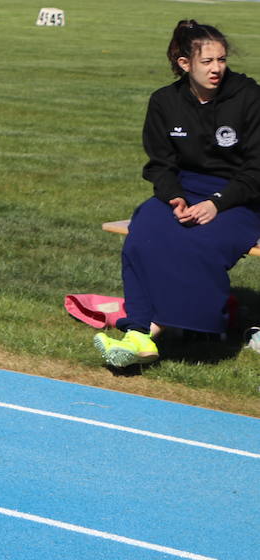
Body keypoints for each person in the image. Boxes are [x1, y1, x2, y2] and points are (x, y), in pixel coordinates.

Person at [94, 19, 260, 368]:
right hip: (185, 190)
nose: (217, 68)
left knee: (198, 241)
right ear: (185, 64)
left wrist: (217, 204)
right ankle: (140, 332)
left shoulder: (249, 96)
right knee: (143, 234)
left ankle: (163, 330)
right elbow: (159, 164)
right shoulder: (164, 102)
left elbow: (256, 169)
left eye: (222, 60)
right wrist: (174, 197)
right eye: (207, 61)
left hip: (241, 197)